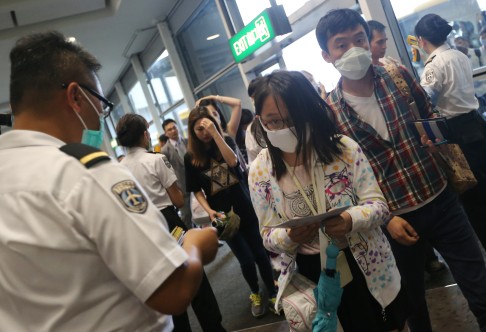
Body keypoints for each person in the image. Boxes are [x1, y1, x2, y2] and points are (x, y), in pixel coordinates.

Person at [0, 31, 219, 331]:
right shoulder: (83, 171)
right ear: (76, 96)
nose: (101, 113)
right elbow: (173, 291)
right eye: (100, 102)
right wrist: (195, 246)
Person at [316, 9, 486, 332]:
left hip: (441, 199)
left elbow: (428, 111)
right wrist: (387, 218)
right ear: (327, 55)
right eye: (341, 45)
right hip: (392, 223)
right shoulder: (331, 114)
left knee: (480, 289)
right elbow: (344, 180)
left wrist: (432, 133)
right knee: (412, 308)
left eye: (359, 39)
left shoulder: (398, 77)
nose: (353, 49)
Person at [249, 70, 408, 331]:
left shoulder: (343, 149)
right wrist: (290, 236)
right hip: (310, 271)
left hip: (364, 261)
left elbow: (378, 206)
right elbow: (267, 235)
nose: (283, 128)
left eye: (292, 119)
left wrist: (349, 220)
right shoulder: (260, 171)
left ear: (309, 112)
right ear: (261, 121)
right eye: (273, 121)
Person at [116, 114, 226, 332]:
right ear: (145, 134)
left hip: (140, 228)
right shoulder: (155, 159)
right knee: (194, 277)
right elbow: (177, 199)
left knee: (165, 282)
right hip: (168, 221)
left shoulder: (118, 168)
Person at [184, 106, 278, 317]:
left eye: (207, 127)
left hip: (245, 206)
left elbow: (233, 162)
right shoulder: (190, 157)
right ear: (192, 132)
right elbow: (195, 190)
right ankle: (255, 292)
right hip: (222, 217)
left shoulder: (225, 140)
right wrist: (208, 211)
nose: (204, 133)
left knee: (260, 254)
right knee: (245, 260)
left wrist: (217, 134)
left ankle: (272, 291)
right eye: (199, 129)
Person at [415, 13, 486, 250]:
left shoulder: (434, 65)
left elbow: (426, 99)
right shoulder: (460, 55)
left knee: (471, 195)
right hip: (476, 124)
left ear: (422, 40)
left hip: (456, 133)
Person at [161, 119, 192, 229]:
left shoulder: (189, 142)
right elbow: (167, 172)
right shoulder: (164, 151)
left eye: (174, 127)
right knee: (187, 217)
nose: (173, 130)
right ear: (166, 133)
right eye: (169, 129)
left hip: (196, 183)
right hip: (182, 188)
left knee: (204, 213)